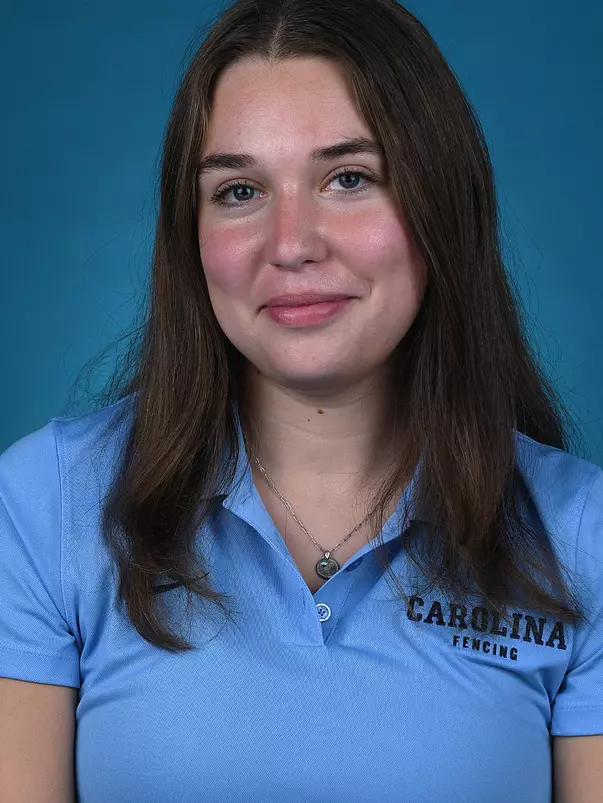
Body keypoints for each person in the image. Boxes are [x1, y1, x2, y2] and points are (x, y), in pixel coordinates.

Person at [1, 0, 602, 801]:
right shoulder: (44, 502)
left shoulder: (582, 535)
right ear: (192, 234)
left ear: (441, 208)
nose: (289, 243)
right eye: (240, 190)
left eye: (349, 178)